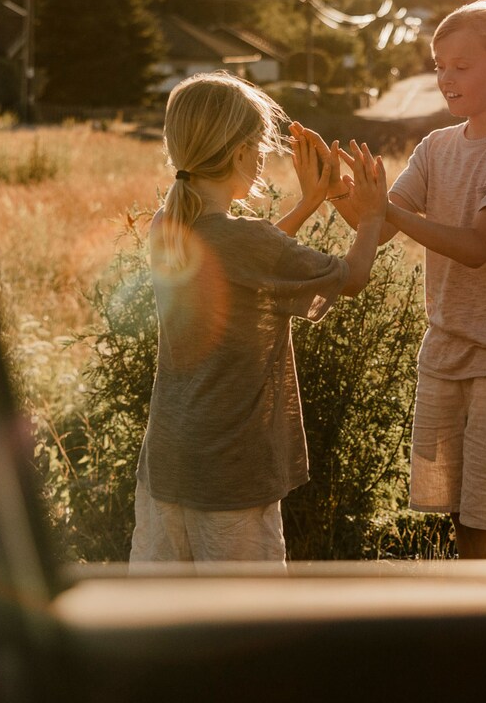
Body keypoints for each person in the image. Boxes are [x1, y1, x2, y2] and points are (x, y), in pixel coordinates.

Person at [340, 0, 486, 559]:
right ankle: (477, 639)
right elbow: (373, 229)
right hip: (444, 350)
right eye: (439, 65)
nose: (446, 79)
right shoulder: (435, 147)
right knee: (457, 523)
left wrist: (386, 212)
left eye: (461, 66)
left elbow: (476, 246)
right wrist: (331, 189)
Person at [130, 71, 387, 567]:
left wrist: (309, 202)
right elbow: (351, 278)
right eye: (261, 144)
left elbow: (247, 263)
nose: (265, 156)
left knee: (167, 622)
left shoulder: (169, 223)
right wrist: (373, 216)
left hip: (168, 463)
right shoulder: (248, 241)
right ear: (240, 154)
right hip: (232, 472)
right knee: (246, 621)